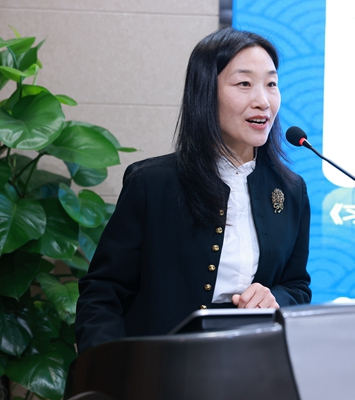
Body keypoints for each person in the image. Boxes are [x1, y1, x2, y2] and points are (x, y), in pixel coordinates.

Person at [75, 27, 312, 353]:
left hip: (254, 364)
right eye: (244, 84)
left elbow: (297, 285)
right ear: (205, 92)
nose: (263, 101)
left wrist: (276, 298)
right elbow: (103, 292)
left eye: (271, 84)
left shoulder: (291, 190)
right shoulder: (151, 183)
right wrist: (110, 367)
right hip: (162, 366)